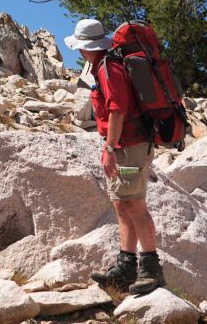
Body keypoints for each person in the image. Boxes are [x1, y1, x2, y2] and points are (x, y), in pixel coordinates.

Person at [64, 19, 165, 294]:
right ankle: (126, 266)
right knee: (122, 205)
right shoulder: (106, 65)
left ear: (86, 48)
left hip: (129, 145)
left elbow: (118, 109)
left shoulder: (109, 68)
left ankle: (152, 270)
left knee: (135, 206)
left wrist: (109, 149)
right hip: (125, 144)